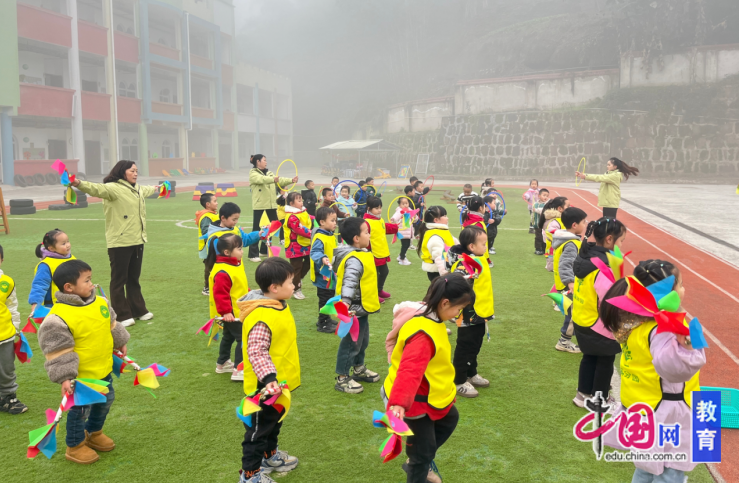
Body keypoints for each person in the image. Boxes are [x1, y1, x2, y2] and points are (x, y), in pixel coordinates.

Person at [600, 260, 704, 482]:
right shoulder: (662, 330)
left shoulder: (636, 324)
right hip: (666, 413)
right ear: (668, 294)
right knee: (670, 471)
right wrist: (688, 341)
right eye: (680, 284)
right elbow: (678, 369)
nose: (684, 289)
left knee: (647, 467)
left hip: (643, 410)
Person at [38, 260, 130, 464]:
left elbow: (111, 324)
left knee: (106, 401)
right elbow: (58, 351)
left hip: (103, 369)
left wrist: (120, 341)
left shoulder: (100, 302)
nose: (92, 284)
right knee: (80, 411)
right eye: (87, 281)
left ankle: (94, 432)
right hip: (80, 378)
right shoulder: (58, 318)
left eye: (91, 279)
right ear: (69, 287)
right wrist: (65, 377)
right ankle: (75, 445)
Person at [383, 274, 472, 483]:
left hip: (430, 394)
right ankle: (418, 463)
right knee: (421, 455)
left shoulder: (432, 315)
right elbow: (409, 370)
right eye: (459, 309)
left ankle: (419, 458)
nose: (458, 314)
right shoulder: (423, 335)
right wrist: (399, 403)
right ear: (445, 303)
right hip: (414, 402)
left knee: (449, 419)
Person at [71, 160, 158, 328]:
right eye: (132, 171)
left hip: (137, 240)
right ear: (122, 172)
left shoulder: (137, 189)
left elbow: (147, 190)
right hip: (119, 242)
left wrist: (157, 188)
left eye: (136, 171)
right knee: (119, 280)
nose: (135, 173)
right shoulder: (113, 188)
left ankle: (138, 310)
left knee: (133, 279)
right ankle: (122, 314)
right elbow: (95, 188)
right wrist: (78, 183)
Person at [236, 257, 300, 483]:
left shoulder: (277, 305)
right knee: (257, 432)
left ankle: (269, 456)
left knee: (274, 423)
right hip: (264, 388)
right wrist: (269, 377)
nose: (294, 285)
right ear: (274, 288)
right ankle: (250, 476)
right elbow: (257, 351)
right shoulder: (262, 316)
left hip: (279, 385)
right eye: (290, 282)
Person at [571, 217, 626, 408]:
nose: (621, 246)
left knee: (589, 357)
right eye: (621, 241)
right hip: (599, 324)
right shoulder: (604, 267)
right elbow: (610, 300)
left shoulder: (586, 256)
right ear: (609, 239)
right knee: (605, 361)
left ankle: (582, 394)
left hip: (581, 319)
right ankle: (600, 400)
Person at [333, 217, 380, 394]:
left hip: (362, 308)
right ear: (356, 238)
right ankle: (342, 378)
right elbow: (349, 281)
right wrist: (345, 302)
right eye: (366, 232)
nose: (369, 235)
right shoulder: (354, 259)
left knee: (362, 340)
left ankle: (358, 368)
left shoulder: (361, 254)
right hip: (352, 310)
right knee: (350, 343)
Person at [446, 226, 494, 398]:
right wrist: (463, 277)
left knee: (475, 344)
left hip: (480, 312)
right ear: (471, 246)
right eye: (483, 244)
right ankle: (459, 380)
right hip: (468, 314)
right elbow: (456, 282)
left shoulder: (479, 259)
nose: (486, 247)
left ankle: (471, 373)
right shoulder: (465, 263)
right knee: (466, 346)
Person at [208, 234, 249, 382]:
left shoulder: (234, 264)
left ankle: (223, 363)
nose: (242, 251)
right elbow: (220, 294)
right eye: (239, 248)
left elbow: (238, 286)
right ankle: (239, 369)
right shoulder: (223, 271)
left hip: (236, 310)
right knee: (243, 338)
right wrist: (226, 312)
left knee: (228, 336)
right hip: (232, 313)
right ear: (227, 252)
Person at [247, 154, 298, 262]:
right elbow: (262, 179)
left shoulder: (269, 173)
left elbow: (279, 180)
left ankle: (264, 250)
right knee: (256, 229)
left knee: (272, 227)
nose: (266, 162)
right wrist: (273, 179)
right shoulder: (253, 173)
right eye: (264, 160)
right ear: (258, 161)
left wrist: (291, 180)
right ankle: (253, 254)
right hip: (260, 205)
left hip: (271, 205)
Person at [552, 207, 588, 354]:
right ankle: (564, 342)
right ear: (574, 225)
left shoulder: (566, 240)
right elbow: (565, 264)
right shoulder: (571, 243)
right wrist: (570, 282)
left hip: (566, 284)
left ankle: (575, 339)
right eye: (584, 222)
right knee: (573, 314)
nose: (585, 224)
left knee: (574, 312)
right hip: (570, 286)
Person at [201, 202, 262, 281]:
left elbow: (245, 240)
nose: (236, 222)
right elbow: (218, 258)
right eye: (234, 219)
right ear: (223, 218)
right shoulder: (216, 237)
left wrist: (258, 234)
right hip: (223, 273)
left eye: (237, 219)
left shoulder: (235, 229)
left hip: (236, 269)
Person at [0, 245, 25, 414]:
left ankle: (8, 397)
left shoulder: (7, 282)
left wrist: (15, 326)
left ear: (1, 259)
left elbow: (12, 306)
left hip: (4, 334)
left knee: (6, 367)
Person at [363, 196, 399, 304]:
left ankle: (379, 290)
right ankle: (372, 294)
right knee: (373, 275)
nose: (379, 210)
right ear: (369, 208)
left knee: (384, 272)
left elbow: (383, 228)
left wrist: (396, 227)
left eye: (380, 207)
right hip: (372, 252)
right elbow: (363, 236)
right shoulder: (366, 222)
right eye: (376, 208)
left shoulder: (379, 219)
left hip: (381, 251)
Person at [30, 229, 76, 310]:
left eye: (68, 241)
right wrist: (35, 303)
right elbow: (39, 285)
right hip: (54, 306)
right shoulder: (46, 265)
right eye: (63, 243)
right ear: (51, 248)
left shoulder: (72, 258)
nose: (68, 245)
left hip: (72, 302)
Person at [310, 207, 339, 334]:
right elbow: (315, 252)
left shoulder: (330, 235)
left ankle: (326, 318)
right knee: (325, 299)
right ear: (322, 222)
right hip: (322, 276)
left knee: (330, 297)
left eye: (335, 220)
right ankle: (322, 323)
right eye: (332, 220)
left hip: (330, 275)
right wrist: (322, 258)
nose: (335, 223)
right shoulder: (320, 237)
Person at [283, 192, 312, 300]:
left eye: (301, 200)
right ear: (291, 203)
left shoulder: (303, 212)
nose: (301, 202)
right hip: (294, 247)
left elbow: (309, 218)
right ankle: (296, 289)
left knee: (310, 261)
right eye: (299, 200)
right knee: (296, 268)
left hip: (305, 244)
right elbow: (299, 229)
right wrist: (313, 233)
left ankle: (298, 279)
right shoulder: (291, 217)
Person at [417, 206, 456, 282]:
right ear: (436, 220)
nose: (447, 218)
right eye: (444, 216)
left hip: (445, 268)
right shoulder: (435, 236)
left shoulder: (441, 231)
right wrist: (445, 274)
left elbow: (454, 242)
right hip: (438, 271)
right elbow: (439, 256)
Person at [538, 196, 570, 272]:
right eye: (568, 206)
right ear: (560, 208)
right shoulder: (554, 222)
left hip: (557, 252)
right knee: (558, 272)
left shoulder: (558, 220)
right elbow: (554, 236)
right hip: (554, 252)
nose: (570, 208)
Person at [196, 193, 220, 296]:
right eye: (215, 201)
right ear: (208, 204)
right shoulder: (206, 217)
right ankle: (207, 288)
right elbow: (206, 232)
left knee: (216, 265)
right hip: (208, 247)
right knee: (209, 266)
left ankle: (216, 285)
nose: (217, 203)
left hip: (215, 245)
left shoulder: (213, 214)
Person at [461, 196, 492, 268]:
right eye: (484, 206)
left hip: (467, 254)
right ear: (480, 208)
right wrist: (486, 258)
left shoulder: (466, 219)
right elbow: (480, 243)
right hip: (477, 257)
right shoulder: (478, 224)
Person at [390, 196, 418, 266]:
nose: (405, 205)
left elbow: (414, 219)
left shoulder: (409, 209)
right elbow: (396, 215)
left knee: (407, 244)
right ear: (399, 205)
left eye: (406, 203)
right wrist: (393, 219)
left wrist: (415, 217)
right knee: (405, 245)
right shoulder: (400, 210)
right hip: (402, 232)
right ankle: (402, 258)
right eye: (403, 204)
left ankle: (401, 256)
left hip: (408, 231)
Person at [532, 189, 549, 255]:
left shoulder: (547, 204)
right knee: (538, 237)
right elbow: (533, 214)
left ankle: (544, 249)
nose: (546, 197)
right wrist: (533, 222)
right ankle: (538, 249)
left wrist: (536, 210)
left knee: (545, 237)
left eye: (547, 196)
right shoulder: (535, 204)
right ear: (539, 196)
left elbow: (544, 211)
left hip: (545, 225)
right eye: (544, 195)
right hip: (537, 224)